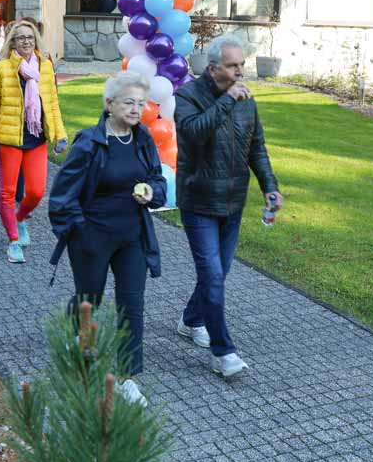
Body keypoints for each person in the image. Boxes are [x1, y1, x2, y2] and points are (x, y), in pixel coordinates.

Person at [48, 71, 167, 406]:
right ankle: (76, 337)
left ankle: (128, 379)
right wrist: (80, 231)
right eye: (129, 102)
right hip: (92, 236)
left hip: (133, 237)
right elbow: (61, 197)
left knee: (133, 305)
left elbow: (158, 180)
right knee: (90, 298)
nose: (136, 109)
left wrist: (152, 191)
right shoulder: (89, 142)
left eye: (141, 104)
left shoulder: (143, 139)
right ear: (109, 103)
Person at [174, 35, 283, 379]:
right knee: (213, 275)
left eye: (242, 64)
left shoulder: (246, 100)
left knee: (218, 273)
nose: (240, 72)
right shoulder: (188, 96)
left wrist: (270, 187)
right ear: (212, 68)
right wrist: (226, 101)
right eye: (233, 65)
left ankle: (191, 320)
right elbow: (194, 133)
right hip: (199, 201)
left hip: (233, 201)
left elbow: (257, 148)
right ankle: (224, 353)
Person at [0, 19, 68, 263]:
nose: (26, 41)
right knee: (7, 192)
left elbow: (52, 104)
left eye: (30, 37)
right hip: (8, 139)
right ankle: (13, 241)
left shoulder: (45, 67)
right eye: (21, 38)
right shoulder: (1, 68)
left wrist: (60, 134)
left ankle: (18, 219)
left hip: (36, 138)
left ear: (35, 40)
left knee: (37, 192)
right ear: (12, 42)